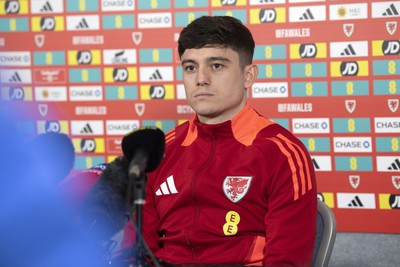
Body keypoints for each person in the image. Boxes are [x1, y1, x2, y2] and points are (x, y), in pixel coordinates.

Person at [141, 16, 317, 267]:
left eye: (216, 66)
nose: (200, 79)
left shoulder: (282, 154)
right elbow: (140, 251)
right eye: (190, 67)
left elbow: (287, 261)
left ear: (248, 76)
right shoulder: (160, 151)